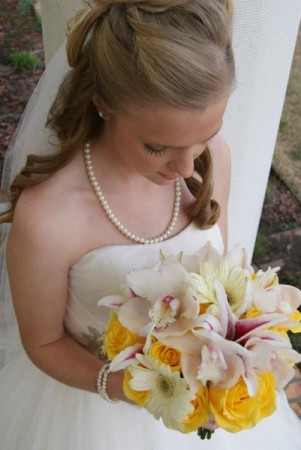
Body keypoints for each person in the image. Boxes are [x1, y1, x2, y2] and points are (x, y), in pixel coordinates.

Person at [0, 1, 300, 449]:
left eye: (202, 136)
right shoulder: (49, 217)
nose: (185, 166)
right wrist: (134, 388)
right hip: (88, 416)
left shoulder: (213, 159)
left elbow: (220, 277)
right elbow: (43, 344)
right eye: (157, 147)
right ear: (102, 105)